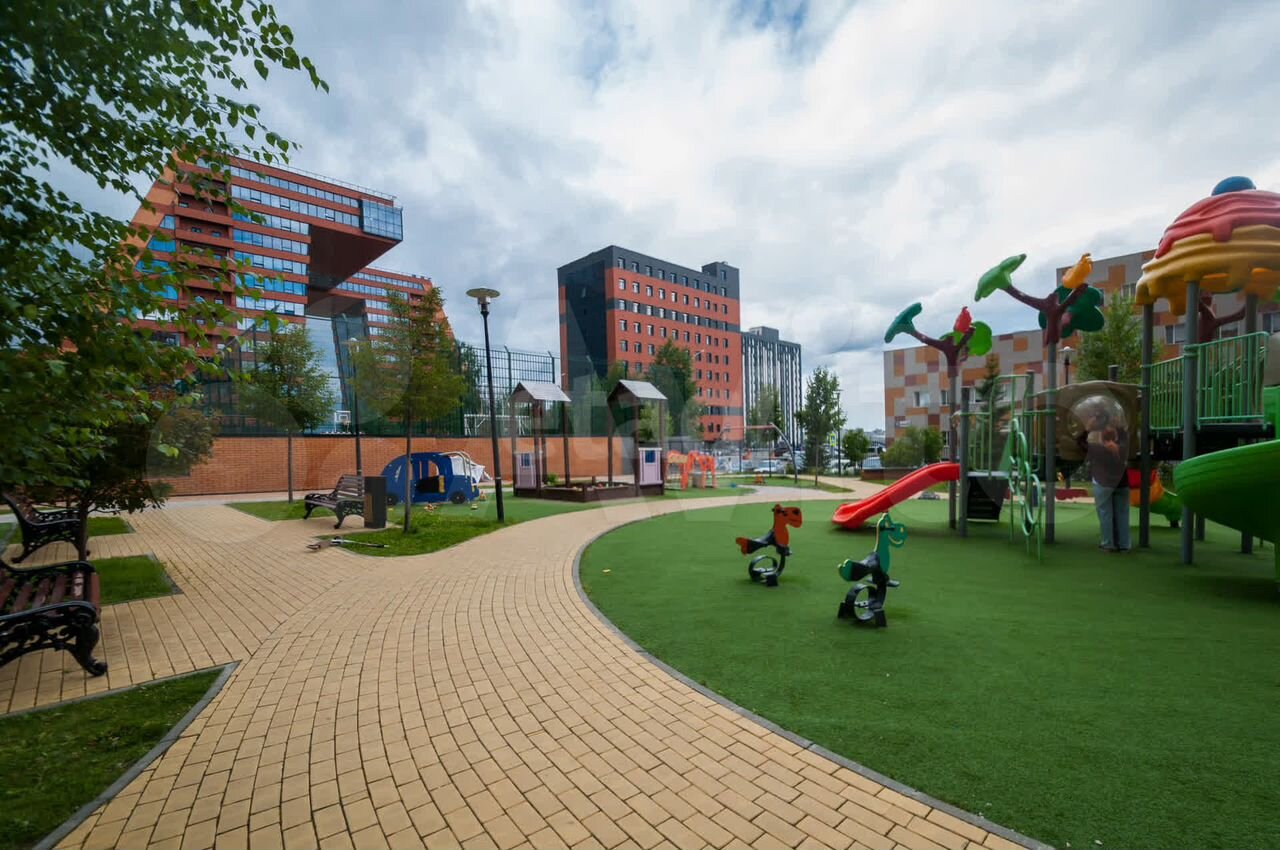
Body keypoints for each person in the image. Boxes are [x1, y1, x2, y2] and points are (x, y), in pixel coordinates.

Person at [1082, 408, 1130, 552]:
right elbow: (1124, 437)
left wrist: (1088, 428)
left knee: (1105, 515)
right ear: (1115, 437)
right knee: (1123, 515)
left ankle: (1108, 544)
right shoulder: (1123, 448)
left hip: (1103, 484)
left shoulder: (1097, 449)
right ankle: (1124, 545)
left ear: (1102, 437)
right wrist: (1118, 427)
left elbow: (1080, 442)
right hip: (1122, 484)